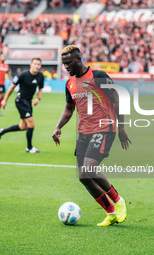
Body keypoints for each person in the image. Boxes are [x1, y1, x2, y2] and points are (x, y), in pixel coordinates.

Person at [52, 45, 131, 226]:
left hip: (104, 128)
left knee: (89, 168)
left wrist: (122, 128)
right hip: (84, 132)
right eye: (63, 64)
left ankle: (118, 201)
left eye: (68, 63)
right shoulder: (70, 83)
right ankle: (110, 212)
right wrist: (58, 127)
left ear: (78, 59)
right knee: (83, 177)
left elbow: (118, 99)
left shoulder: (99, 76)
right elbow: (69, 108)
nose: (66, 67)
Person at [0, 57, 44, 153]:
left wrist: (38, 98)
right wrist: (4, 100)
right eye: (35, 64)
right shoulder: (23, 75)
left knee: (23, 127)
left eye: (38, 64)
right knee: (31, 123)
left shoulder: (40, 76)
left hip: (28, 102)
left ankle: (1, 131)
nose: (37, 66)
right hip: (21, 101)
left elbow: (41, 89)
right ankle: (29, 148)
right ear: (31, 65)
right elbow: (11, 88)